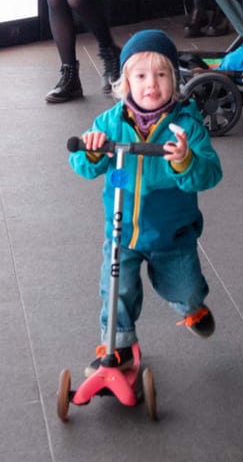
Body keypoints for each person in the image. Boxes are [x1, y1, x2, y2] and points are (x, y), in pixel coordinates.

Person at [70, 29, 224, 369]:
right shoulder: (110, 123)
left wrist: (185, 159)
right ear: (125, 82)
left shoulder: (185, 126)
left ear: (175, 79)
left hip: (172, 234)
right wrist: (93, 151)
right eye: (140, 76)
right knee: (116, 291)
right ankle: (118, 346)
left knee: (186, 289)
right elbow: (81, 165)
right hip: (121, 232)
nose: (150, 84)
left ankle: (193, 308)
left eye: (161, 74)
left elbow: (211, 173)